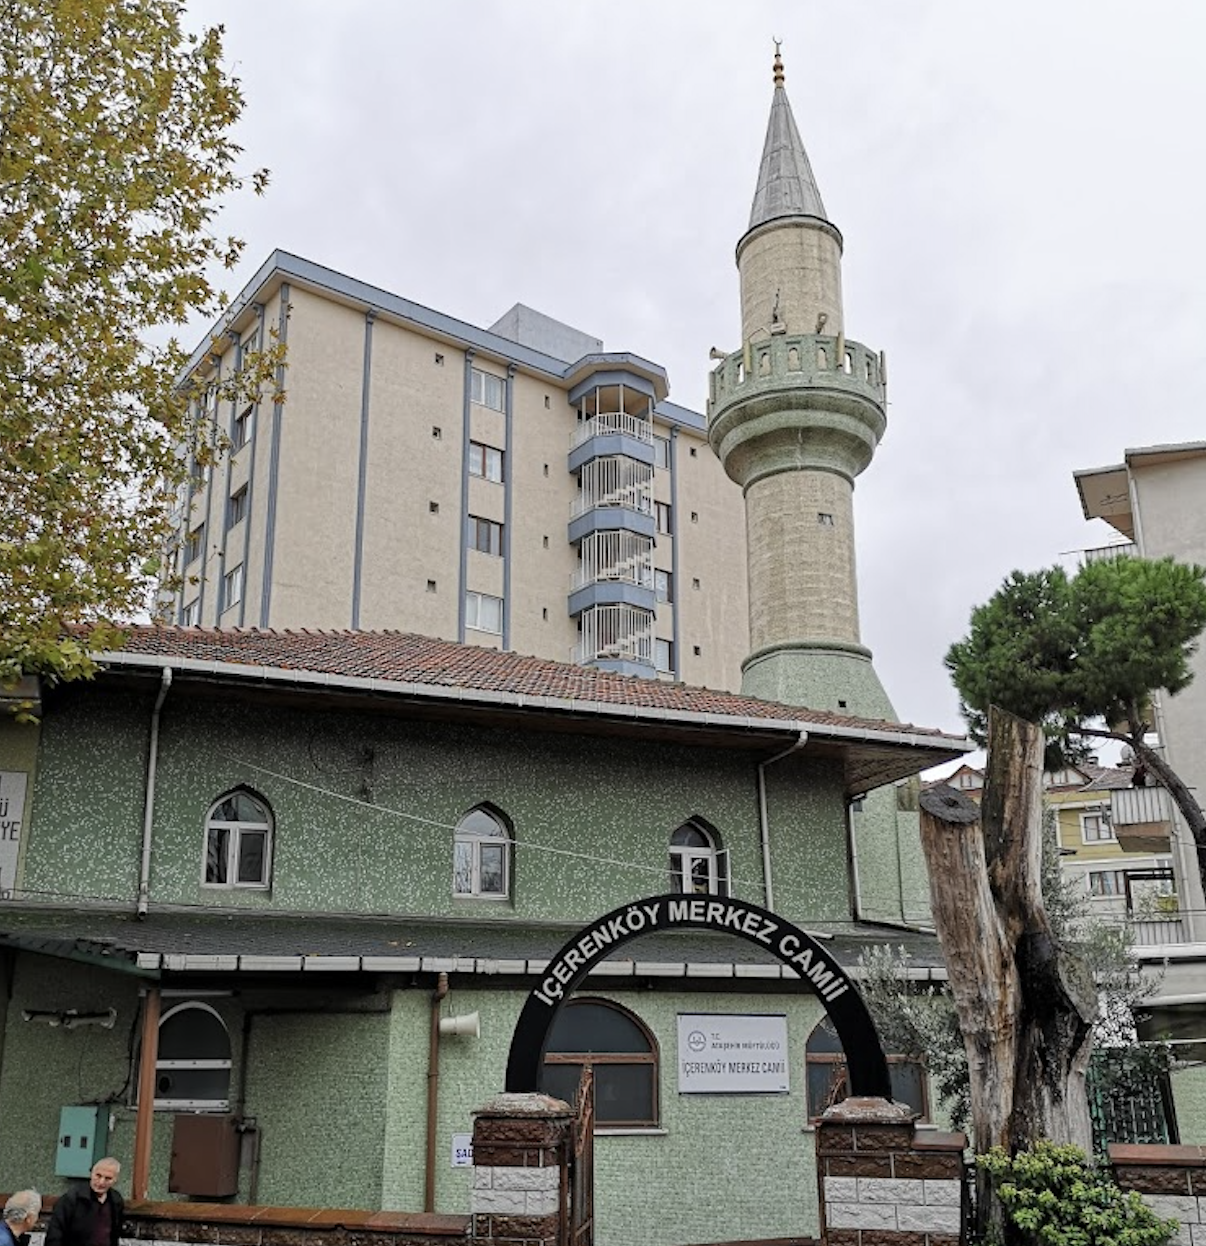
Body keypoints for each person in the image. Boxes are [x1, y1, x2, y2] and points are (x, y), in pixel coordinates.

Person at [45, 1158, 123, 1246]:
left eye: (108, 1178)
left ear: (115, 1180)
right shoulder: (71, 1199)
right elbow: (55, 1234)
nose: (101, 1182)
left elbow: (114, 1235)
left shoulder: (116, 1201)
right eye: (98, 1176)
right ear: (91, 1174)